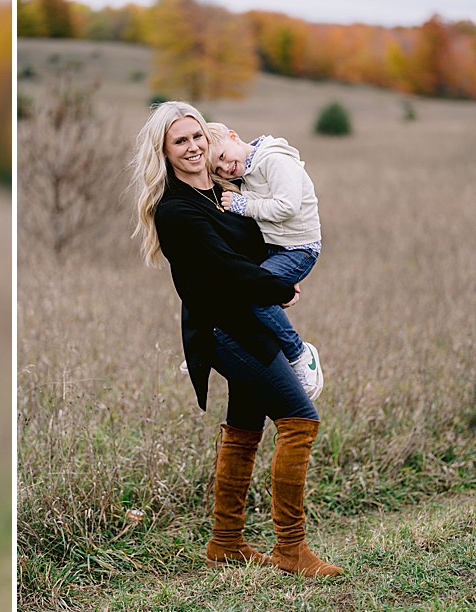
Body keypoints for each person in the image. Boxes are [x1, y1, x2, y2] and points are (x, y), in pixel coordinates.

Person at [131, 101, 341, 578]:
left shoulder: (225, 189)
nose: (192, 147)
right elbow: (226, 271)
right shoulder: (177, 211)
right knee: (299, 421)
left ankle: (226, 541)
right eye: (179, 141)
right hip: (226, 329)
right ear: (163, 152)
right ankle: (291, 548)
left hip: (251, 320)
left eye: (197, 137)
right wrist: (278, 286)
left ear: (210, 137)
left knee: (245, 428)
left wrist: (277, 275)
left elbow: (263, 241)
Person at [205, 122, 324, 400]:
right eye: (218, 170)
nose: (225, 168)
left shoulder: (274, 160)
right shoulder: (247, 171)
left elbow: (287, 206)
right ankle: (206, 346)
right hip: (275, 249)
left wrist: (242, 204)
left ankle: (300, 353)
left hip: (299, 249)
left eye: (222, 157)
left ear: (233, 136)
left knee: (255, 294)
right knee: (236, 290)